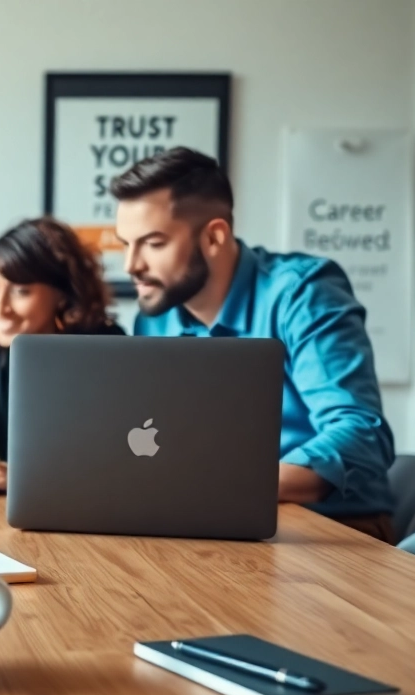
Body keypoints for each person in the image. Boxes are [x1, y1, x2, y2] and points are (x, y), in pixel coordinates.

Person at [112, 147, 397, 542]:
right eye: (125, 244)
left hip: (334, 530)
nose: (131, 265)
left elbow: (361, 433)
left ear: (214, 237)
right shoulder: (155, 317)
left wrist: (219, 491)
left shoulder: (303, 294)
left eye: (153, 243)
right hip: (209, 521)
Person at [0, 217, 123, 492]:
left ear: (63, 295)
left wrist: (25, 474)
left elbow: (114, 454)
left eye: (20, 291)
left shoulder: (108, 349)